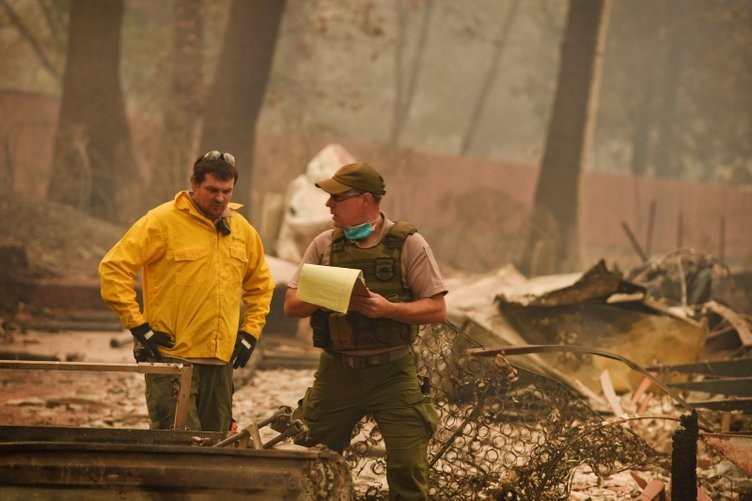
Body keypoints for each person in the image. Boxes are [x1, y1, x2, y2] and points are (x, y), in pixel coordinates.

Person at [283, 161, 448, 499]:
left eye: (337, 198)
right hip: (337, 372)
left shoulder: (409, 244)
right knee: (313, 461)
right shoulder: (324, 246)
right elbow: (291, 305)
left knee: (407, 465)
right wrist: (329, 292)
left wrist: (388, 309)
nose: (328, 206)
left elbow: (437, 308)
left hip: (392, 373)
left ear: (366, 200)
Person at [99, 150, 275, 432]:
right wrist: (138, 326)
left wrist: (249, 333)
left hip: (219, 362)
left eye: (227, 191)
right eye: (212, 190)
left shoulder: (242, 230)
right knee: (177, 443)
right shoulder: (161, 222)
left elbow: (262, 286)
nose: (220, 198)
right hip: (171, 357)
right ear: (194, 182)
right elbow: (113, 269)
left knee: (219, 445)